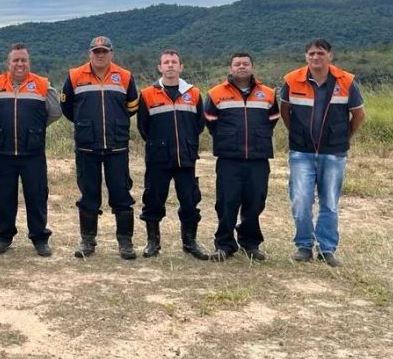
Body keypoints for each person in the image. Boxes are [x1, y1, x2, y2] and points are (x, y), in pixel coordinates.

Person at [280, 39, 365, 267]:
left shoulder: (346, 82)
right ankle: (304, 246)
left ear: (330, 56)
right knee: (300, 200)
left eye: (320, 53)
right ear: (305, 56)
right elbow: (285, 111)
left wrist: (343, 138)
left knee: (329, 202)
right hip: (301, 152)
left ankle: (326, 249)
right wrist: (297, 134)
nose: (315, 57)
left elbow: (358, 115)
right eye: (311, 54)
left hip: (333, 153)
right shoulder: (291, 80)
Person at [61, 36, 139, 259]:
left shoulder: (125, 76)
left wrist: (116, 123)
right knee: (89, 195)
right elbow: (67, 108)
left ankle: (125, 243)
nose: (100, 55)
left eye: (104, 51)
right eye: (96, 51)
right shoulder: (75, 76)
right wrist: (85, 124)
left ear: (111, 53)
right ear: (90, 54)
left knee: (121, 194)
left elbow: (132, 106)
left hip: (117, 147)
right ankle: (87, 242)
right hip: (87, 147)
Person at [0, 43, 61, 257]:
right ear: (8, 63)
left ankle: (39, 238)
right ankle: (3, 236)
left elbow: (55, 112)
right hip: (4, 151)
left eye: (23, 60)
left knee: (37, 195)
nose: (20, 64)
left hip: (33, 153)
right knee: (3, 196)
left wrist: (36, 129)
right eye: (15, 60)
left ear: (29, 62)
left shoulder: (43, 85)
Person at [204, 53, 279, 262]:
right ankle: (225, 244)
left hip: (258, 158)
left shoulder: (269, 94)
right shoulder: (216, 93)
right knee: (227, 202)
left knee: (255, 201)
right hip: (229, 158)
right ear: (230, 68)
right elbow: (210, 122)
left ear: (252, 67)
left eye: (246, 63)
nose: (241, 67)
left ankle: (250, 243)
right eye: (237, 64)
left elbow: (272, 120)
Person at [137, 50, 209, 260]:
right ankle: (153, 242)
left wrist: (187, 143)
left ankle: (190, 242)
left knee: (189, 201)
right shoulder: (148, 94)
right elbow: (143, 127)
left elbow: (198, 124)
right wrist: (159, 144)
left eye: (174, 62)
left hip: (185, 157)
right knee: (153, 200)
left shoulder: (193, 93)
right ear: (160, 67)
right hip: (158, 157)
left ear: (181, 66)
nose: (170, 65)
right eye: (166, 62)